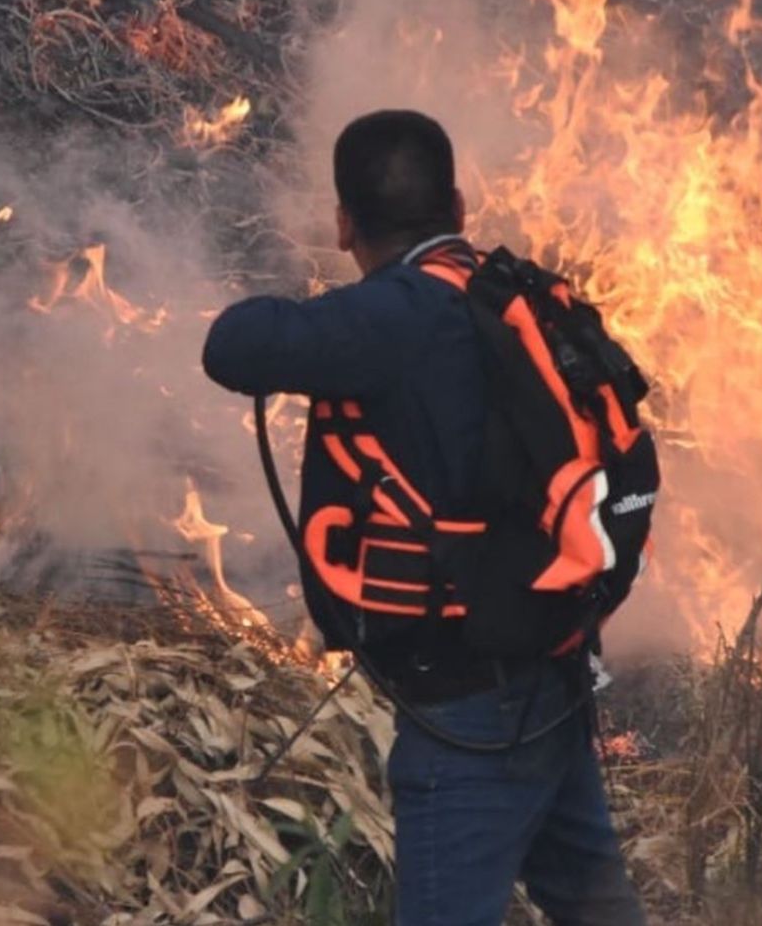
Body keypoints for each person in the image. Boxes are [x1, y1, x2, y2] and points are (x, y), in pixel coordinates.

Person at [202, 110, 650, 926]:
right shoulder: (513, 294)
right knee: (598, 908)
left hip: (469, 716)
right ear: (459, 204)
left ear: (343, 224)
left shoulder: (393, 318)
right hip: (550, 667)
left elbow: (233, 345)